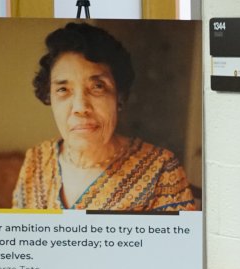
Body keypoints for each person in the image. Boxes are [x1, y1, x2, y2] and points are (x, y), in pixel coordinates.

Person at [14, 22, 195, 211]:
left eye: (97, 87)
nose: (80, 107)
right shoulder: (36, 160)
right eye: (63, 89)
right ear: (49, 97)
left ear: (119, 97)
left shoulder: (161, 170)